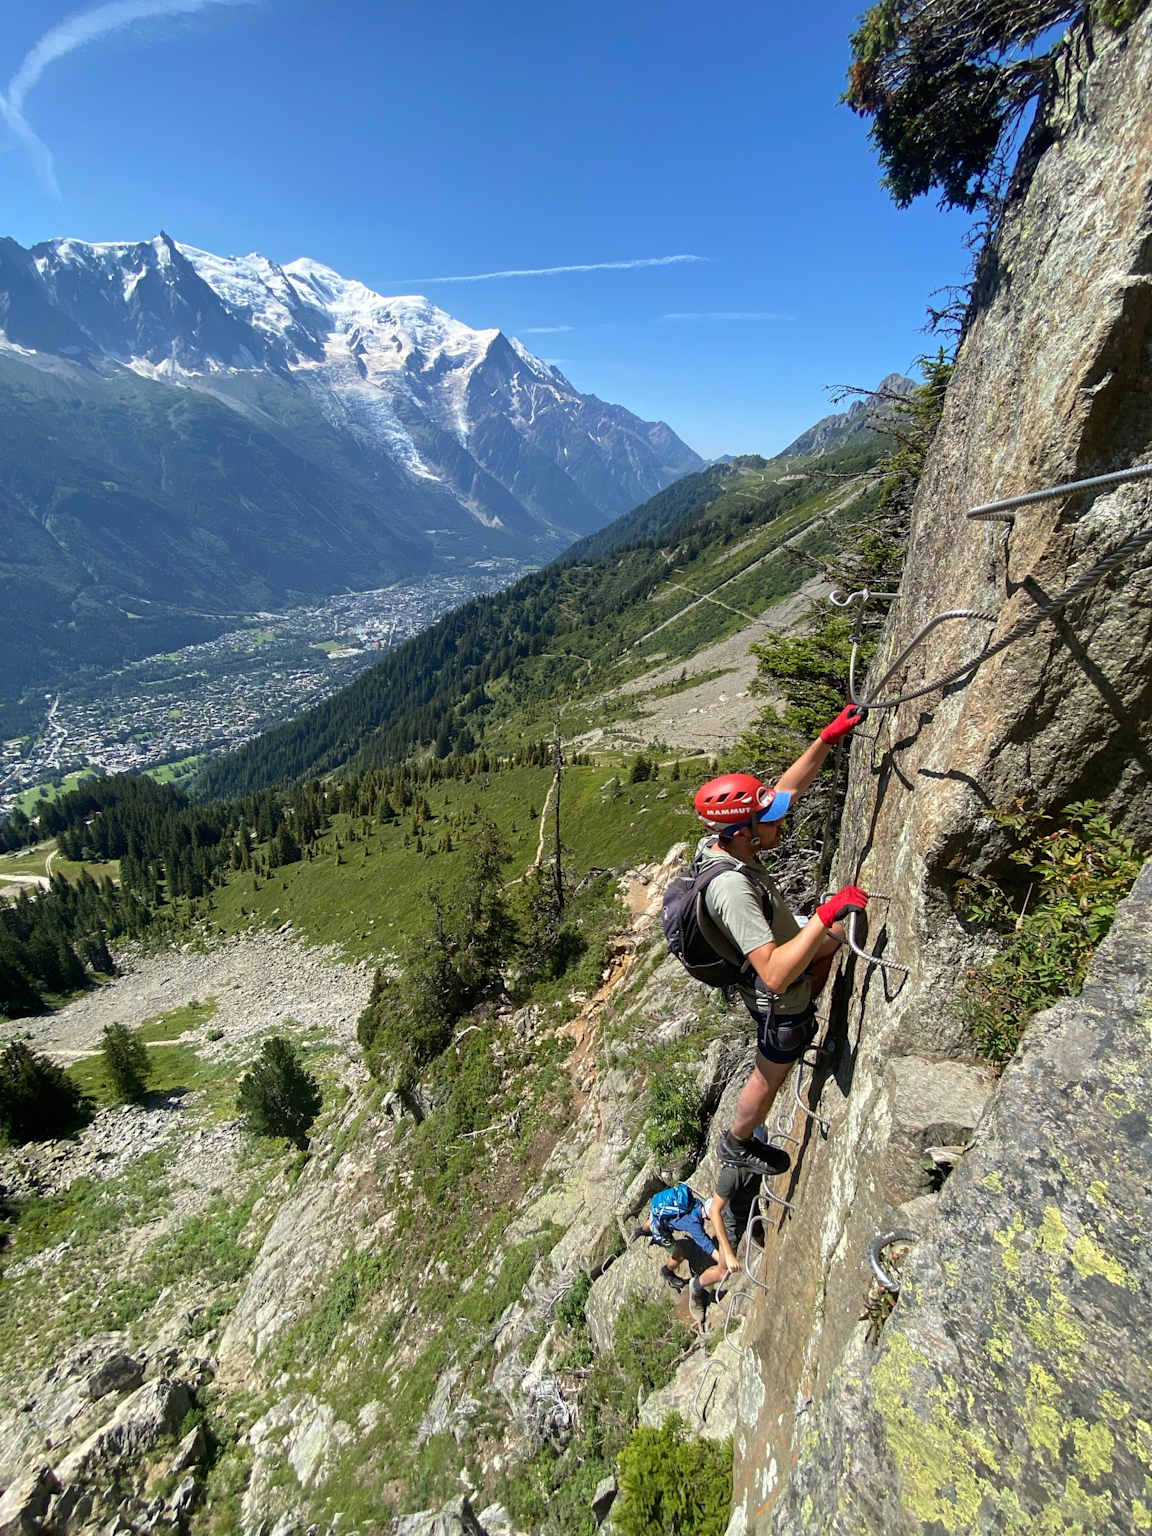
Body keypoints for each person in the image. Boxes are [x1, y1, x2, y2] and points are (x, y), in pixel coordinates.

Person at [690, 705, 869, 1177]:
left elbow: (786, 789)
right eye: (767, 821)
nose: (780, 824)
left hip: (786, 957)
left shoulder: (721, 843)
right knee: (771, 1074)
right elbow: (773, 972)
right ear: (743, 831)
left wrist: (826, 740)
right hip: (778, 1000)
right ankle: (736, 1142)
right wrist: (825, 915)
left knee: (828, 937)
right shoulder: (730, 888)